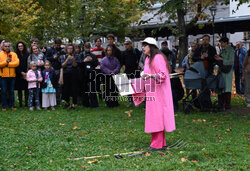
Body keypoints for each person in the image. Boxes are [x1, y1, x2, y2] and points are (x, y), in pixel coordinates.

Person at [132, 37, 175, 150]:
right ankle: (160, 142)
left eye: (145, 45)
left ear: (151, 46)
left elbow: (163, 75)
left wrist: (150, 76)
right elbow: (147, 74)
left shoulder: (158, 57)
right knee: (154, 117)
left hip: (160, 93)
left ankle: (157, 144)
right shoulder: (148, 58)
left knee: (157, 116)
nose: (142, 47)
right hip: (153, 91)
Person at [192, 35, 216, 110]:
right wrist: (200, 57)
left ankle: (207, 103)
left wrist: (208, 57)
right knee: (201, 86)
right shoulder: (198, 49)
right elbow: (194, 58)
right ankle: (201, 103)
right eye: (203, 39)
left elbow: (214, 59)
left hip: (208, 70)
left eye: (206, 40)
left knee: (207, 86)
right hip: (199, 70)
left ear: (209, 40)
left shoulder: (212, 49)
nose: (204, 41)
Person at [215, 37, 234, 110]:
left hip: (227, 72)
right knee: (221, 87)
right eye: (220, 42)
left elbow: (231, 61)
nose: (221, 44)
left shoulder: (230, 50)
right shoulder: (222, 50)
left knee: (227, 88)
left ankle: (227, 105)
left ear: (226, 43)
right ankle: (221, 104)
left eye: (222, 42)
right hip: (221, 71)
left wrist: (221, 59)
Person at [0, 41, 20, 111]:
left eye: (8, 46)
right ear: (3, 47)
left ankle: (12, 105)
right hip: (3, 76)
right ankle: (4, 106)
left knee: (11, 91)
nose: (7, 47)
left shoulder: (14, 54)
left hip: (12, 76)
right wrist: (6, 61)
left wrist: (7, 64)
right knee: (4, 91)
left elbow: (17, 63)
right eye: (5, 46)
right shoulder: (0, 54)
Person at [121, 40, 141, 107]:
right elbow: (122, 61)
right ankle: (130, 101)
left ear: (131, 44)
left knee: (136, 86)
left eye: (127, 44)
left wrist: (139, 65)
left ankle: (137, 101)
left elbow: (140, 59)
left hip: (135, 70)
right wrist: (123, 66)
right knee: (128, 86)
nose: (126, 45)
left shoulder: (136, 51)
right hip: (127, 71)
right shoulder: (124, 53)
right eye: (125, 44)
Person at [45, 38, 65, 105]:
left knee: (59, 85)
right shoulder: (50, 50)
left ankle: (58, 101)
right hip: (51, 69)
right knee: (52, 85)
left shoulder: (62, 50)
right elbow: (46, 58)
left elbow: (64, 59)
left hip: (59, 69)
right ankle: (51, 101)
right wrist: (53, 58)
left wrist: (60, 58)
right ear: (54, 44)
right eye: (57, 45)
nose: (58, 47)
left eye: (59, 45)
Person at [61, 44, 79, 110]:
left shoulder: (76, 56)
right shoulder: (63, 56)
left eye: (71, 48)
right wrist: (67, 60)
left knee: (74, 89)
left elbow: (75, 65)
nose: (70, 49)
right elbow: (62, 65)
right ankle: (67, 103)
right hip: (66, 74)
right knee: (66, 89)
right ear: (66, 49)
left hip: (74, 74)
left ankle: (74, 104)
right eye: (68, 48)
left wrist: (73, 60)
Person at [15, 41, 29, 107]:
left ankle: (26, 103)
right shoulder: (15, 54)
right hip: (18, 74)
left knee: (26, 89)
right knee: (19, 89)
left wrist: (26, 73)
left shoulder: (27, 54)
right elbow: (16, 65)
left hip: (27, 74)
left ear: (24, 46)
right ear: (17, 47)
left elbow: (28, 64)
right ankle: (20, 104)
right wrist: (21, 72)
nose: (20, 47)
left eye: (21, 46)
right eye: (19, 46)